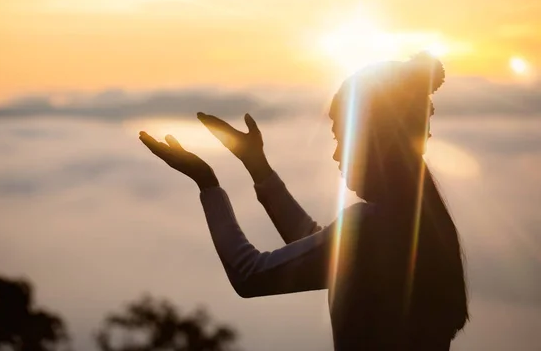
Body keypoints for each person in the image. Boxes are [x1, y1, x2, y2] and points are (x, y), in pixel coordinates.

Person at [139, 52, 469, 350]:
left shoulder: (371, 227)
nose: (337, 154)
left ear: (376, 142)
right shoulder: (420, 224)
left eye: (343, 139)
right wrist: (258, 168)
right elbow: (318, 245)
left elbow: (250, 274)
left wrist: (207, 182)